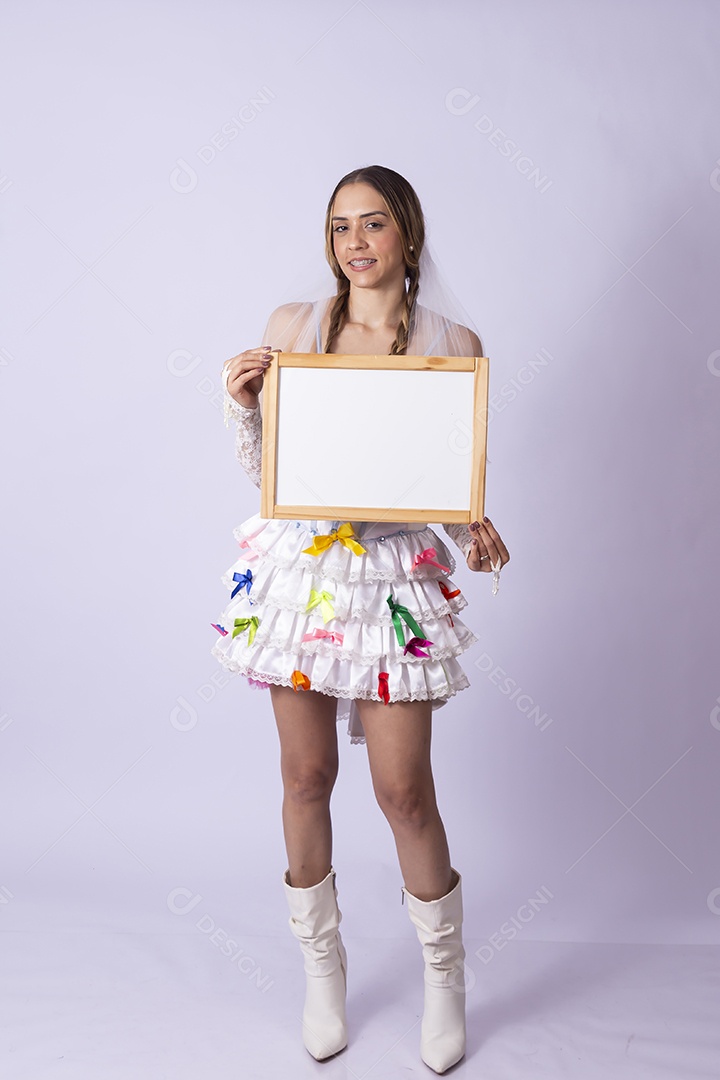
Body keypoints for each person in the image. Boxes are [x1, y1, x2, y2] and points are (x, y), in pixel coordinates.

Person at [214, 165, 510, 1073]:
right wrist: (243, 403)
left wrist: (474, 528)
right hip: (303, 578)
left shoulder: (448, 341)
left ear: (406, 235)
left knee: (402, 791)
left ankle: (446, 977)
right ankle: (322, 973)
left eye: (373, 224)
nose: (354, 243)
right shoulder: (290, 331)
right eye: (341, 227)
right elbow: (268, 468)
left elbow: (439, 474)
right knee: (305, 776)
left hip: (387, 579)